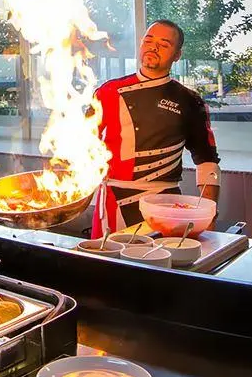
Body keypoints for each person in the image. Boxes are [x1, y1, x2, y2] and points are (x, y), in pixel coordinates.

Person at [91, 20, 220, 238]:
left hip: (163, 206)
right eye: (148, 41)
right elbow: (84, 142)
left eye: (164, 44)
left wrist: (210, 214)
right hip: (112, 202)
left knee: (157, 259)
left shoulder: (190, 101)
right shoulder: (108, 91)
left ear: (177, 55)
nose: (153, 47)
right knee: (104, 259)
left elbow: (207, 161)